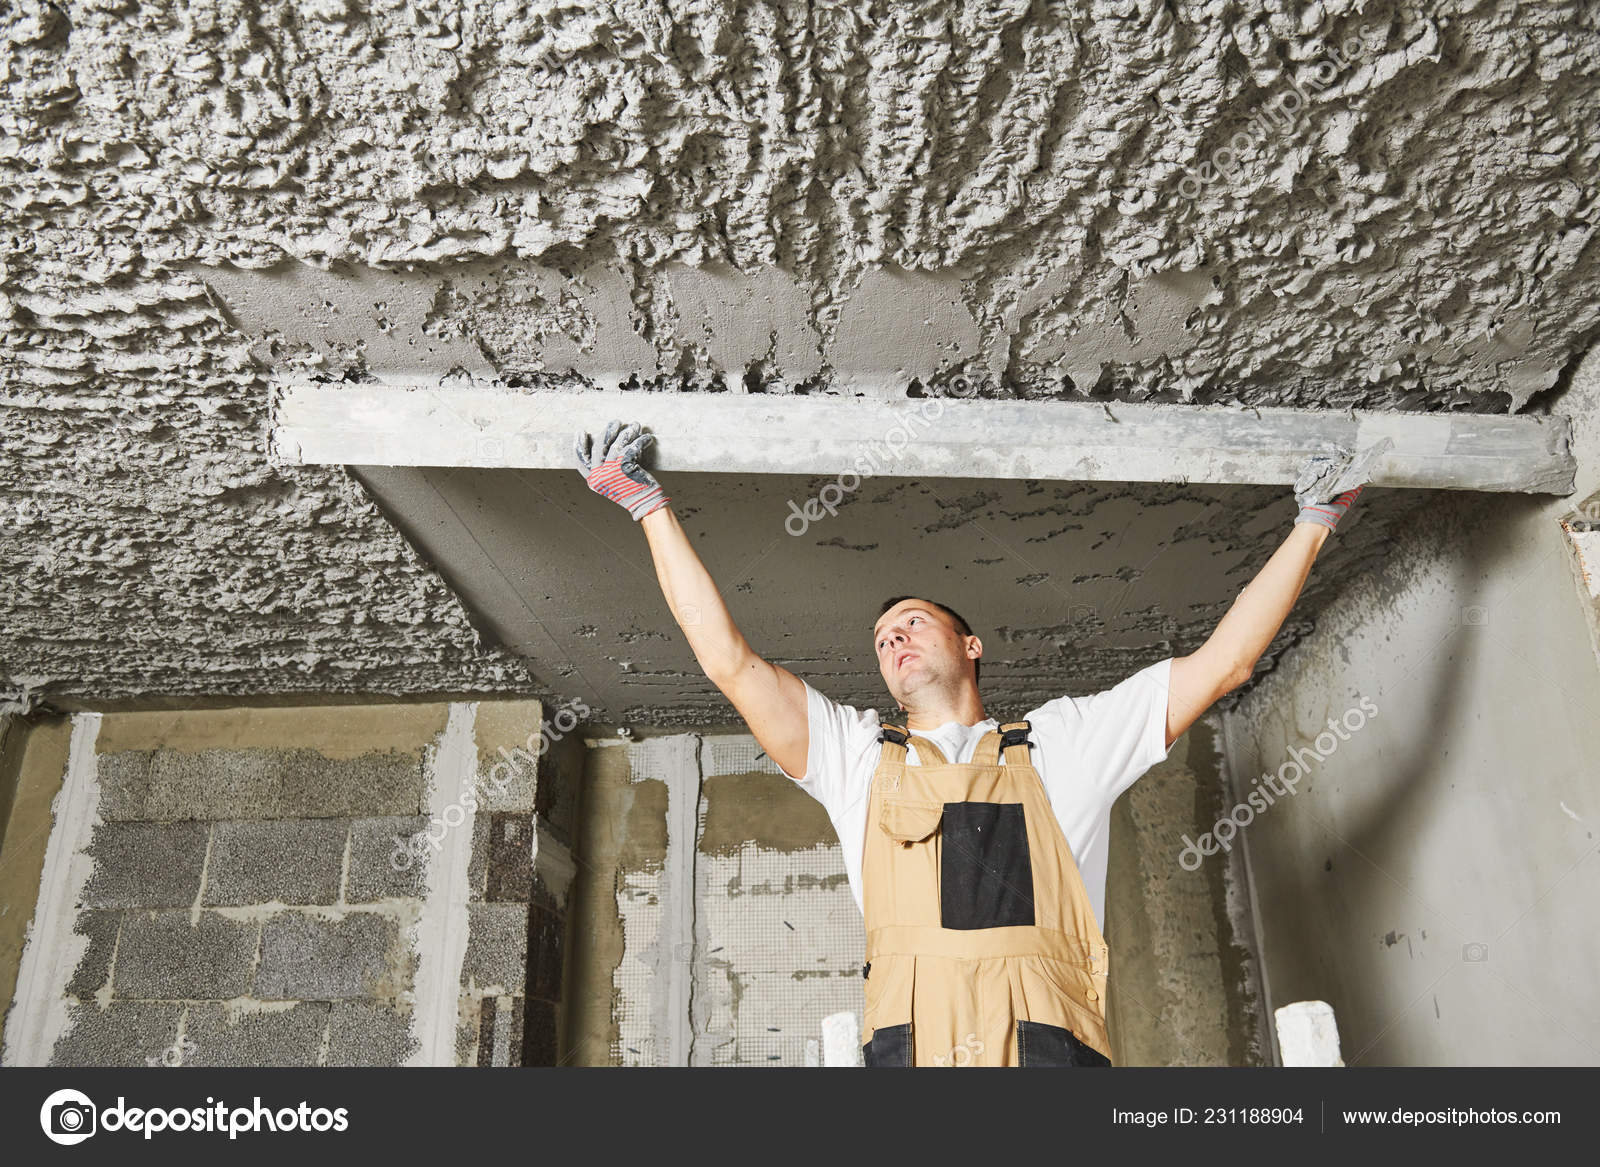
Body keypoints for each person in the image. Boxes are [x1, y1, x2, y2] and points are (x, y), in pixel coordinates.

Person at [576, 419, 1363, 1066]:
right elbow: (730, 662)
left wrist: (1315, 521)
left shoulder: (1064, 745)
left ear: (972, 644)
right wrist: (650, 508)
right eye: (882, 639)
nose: (894, 640)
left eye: (912, 621)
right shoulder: (854, 757)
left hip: (1051, 1057)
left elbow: (1225, 664)